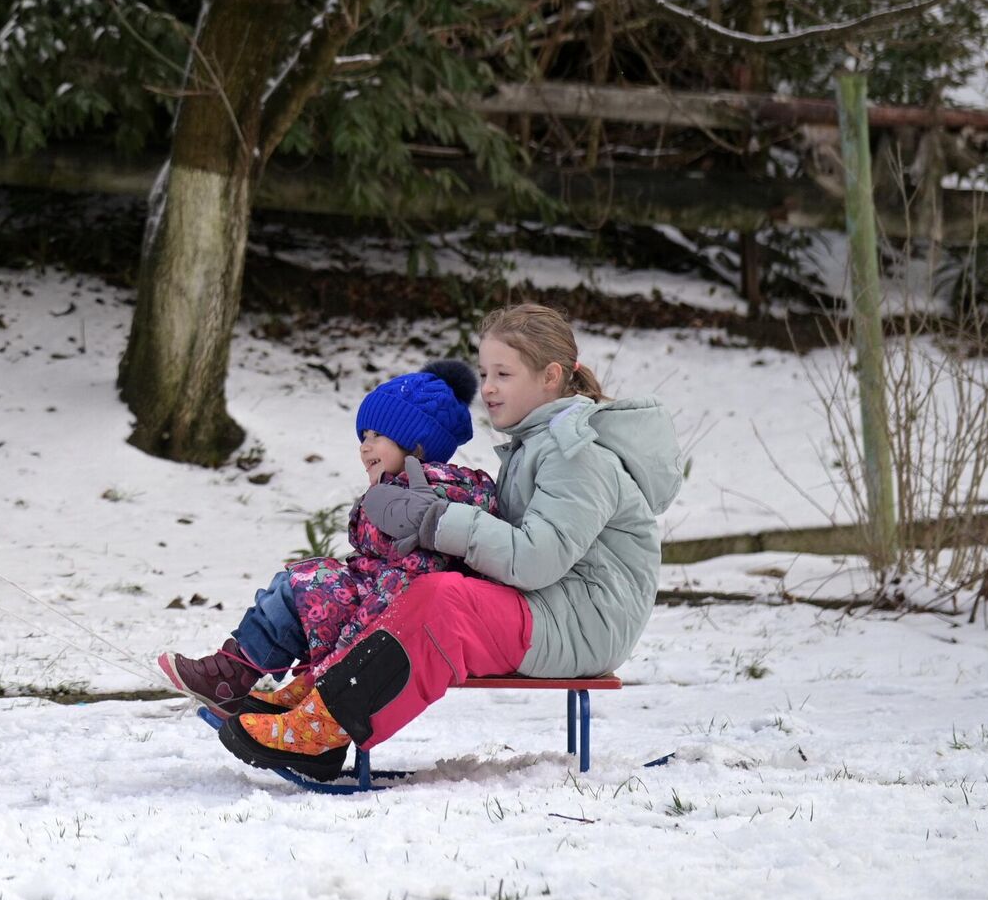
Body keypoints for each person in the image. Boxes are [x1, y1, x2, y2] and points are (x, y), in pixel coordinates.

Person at [214, 303, 682, 781]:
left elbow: (537, 559)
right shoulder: (537, 445)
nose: (490, 388)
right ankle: (318, 698)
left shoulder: (577, 454)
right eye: (484, 373)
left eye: (504, 373)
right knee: (418, 582)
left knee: (444, 603)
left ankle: (324, 728)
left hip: (584, 621)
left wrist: (439, 518)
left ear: (551, 376)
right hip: (553, 605)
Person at [157, 361, 496, 715]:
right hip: (371, 606)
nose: (365, 447)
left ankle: (233, 677)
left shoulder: (421, 501)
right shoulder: (399, 493)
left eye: (377, 436)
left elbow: (409, 581)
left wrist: (343, 652)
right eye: (363, 437)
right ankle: (241, 678)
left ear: (418, 446)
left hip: (385, 624)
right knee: (295, 588)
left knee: (299, 588)